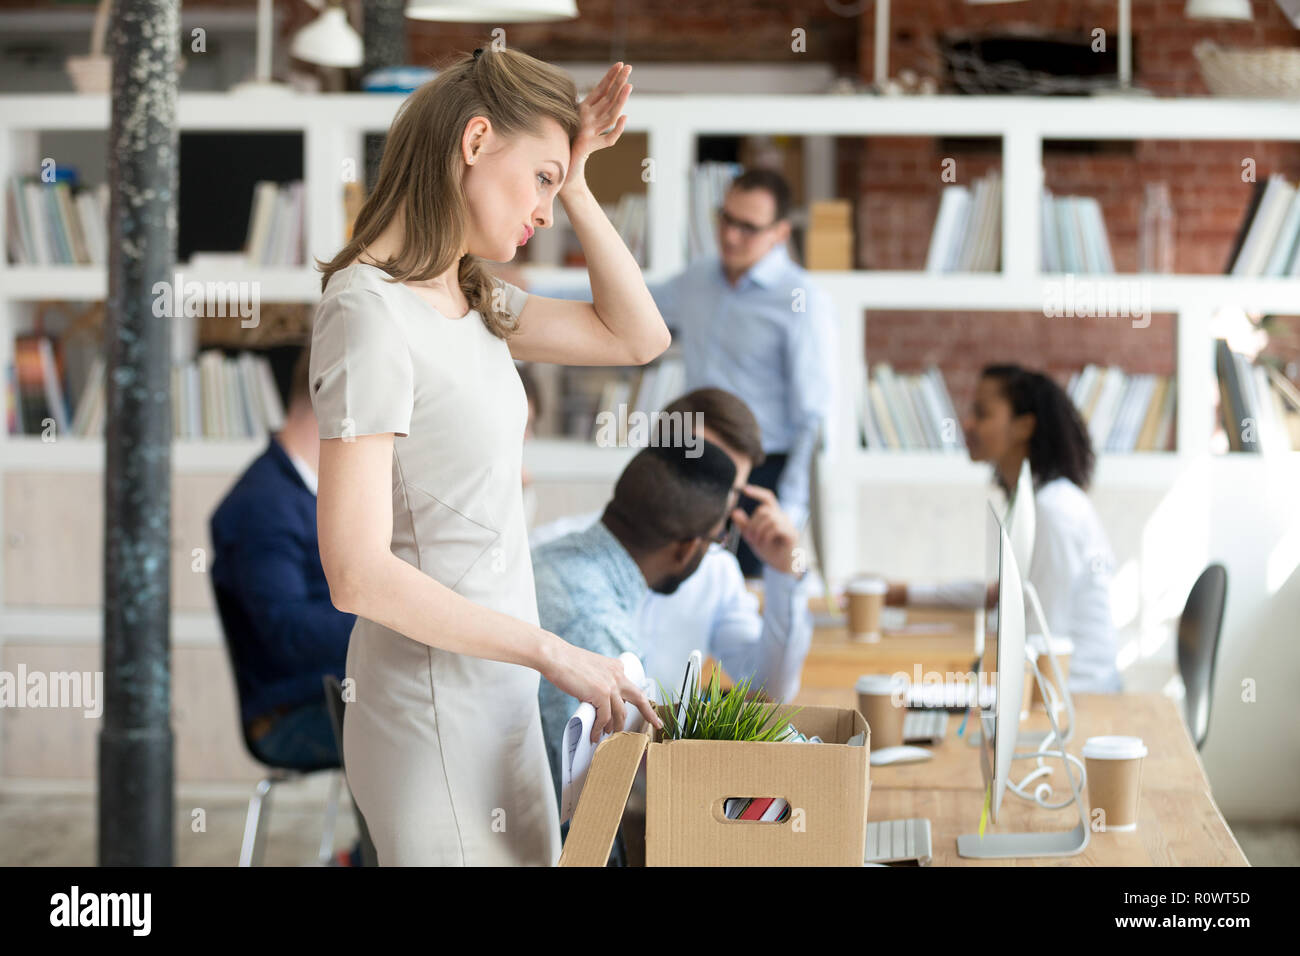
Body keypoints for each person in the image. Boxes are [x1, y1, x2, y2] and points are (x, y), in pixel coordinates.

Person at [309, 48, 667, 866]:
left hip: (503, 697)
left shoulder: (472, 294)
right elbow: (355, 573)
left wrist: (576, 177)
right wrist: (553, 650)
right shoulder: (368, 312)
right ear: (475, 142)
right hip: (429, 709)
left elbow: (638, 335)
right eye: (539, 178)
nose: (544, 210)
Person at [530, 387, 814, 703]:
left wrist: (790, 569)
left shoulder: (716, 571)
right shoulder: (549, 551)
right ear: (656, 456)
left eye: (727, 488)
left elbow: (771, 693)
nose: (710, 497)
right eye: (701, 469)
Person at [209, 345, 363, 865]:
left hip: (332, 692)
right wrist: (384, 620)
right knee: (424, 725)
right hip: (289, 711)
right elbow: (287, 632)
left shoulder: (311, 489)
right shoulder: (262, 505)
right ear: (333, 403)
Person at [883, 364, 1122, 694]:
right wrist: (902, 594)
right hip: (1049, 689)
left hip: (1075, 697)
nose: (967, 424)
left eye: (982, 414)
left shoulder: (1053, 512)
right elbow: (1002, 595)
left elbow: (1041, 633)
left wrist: (967, 685)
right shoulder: (1032, 502)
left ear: (1024, 426)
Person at [533, 440, 737, 818]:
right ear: (688, 547)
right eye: (717, 538)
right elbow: (589, 815)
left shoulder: (545, 558)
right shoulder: (604, 642)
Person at [648, 168, 837, 576]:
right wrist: (526, 292)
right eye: (726, 219)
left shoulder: (802, 300)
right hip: (693, 461)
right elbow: (628, 301)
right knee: (683, 585)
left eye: (748, 227)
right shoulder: (697, 279)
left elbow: (813, 417)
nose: (731, 236)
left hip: (761, 475)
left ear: (780, 233)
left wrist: (789, 509)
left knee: (748, 601)